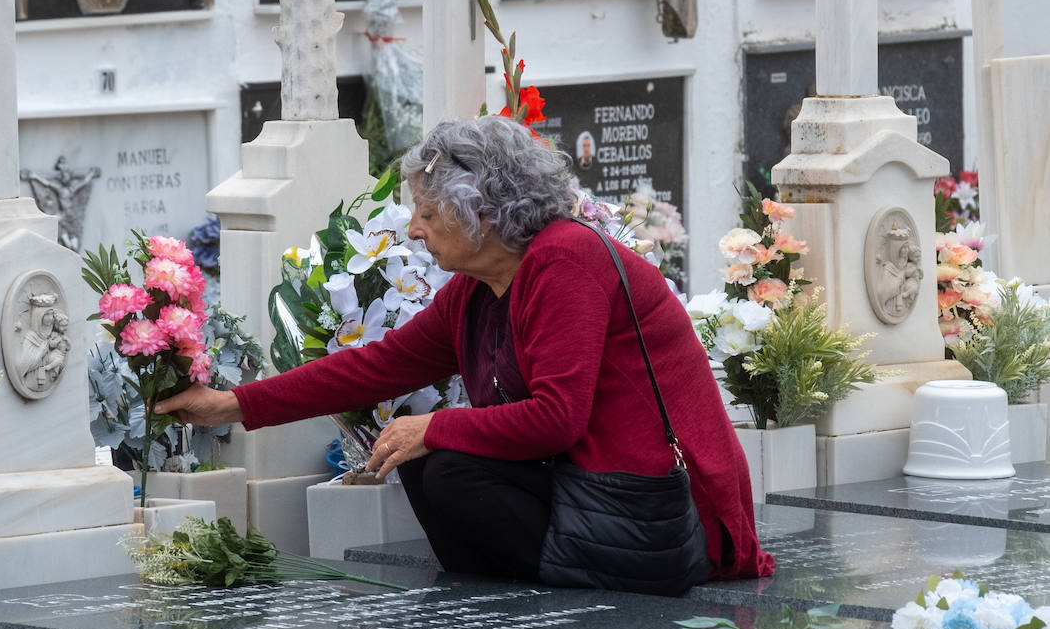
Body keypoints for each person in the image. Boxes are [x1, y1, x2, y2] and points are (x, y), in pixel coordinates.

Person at [157, 116, 773, 587]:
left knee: (443, 459)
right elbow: (374, 367)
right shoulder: (478, 291)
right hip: (587, 493)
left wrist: (438, 425)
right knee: (430, 461)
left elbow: (559, 419)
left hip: (657, 512)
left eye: (427, 211)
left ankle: (544, 600)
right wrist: (227, 405)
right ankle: (501, 603)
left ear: (479, 207)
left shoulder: (566, 261)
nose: (414, 229)